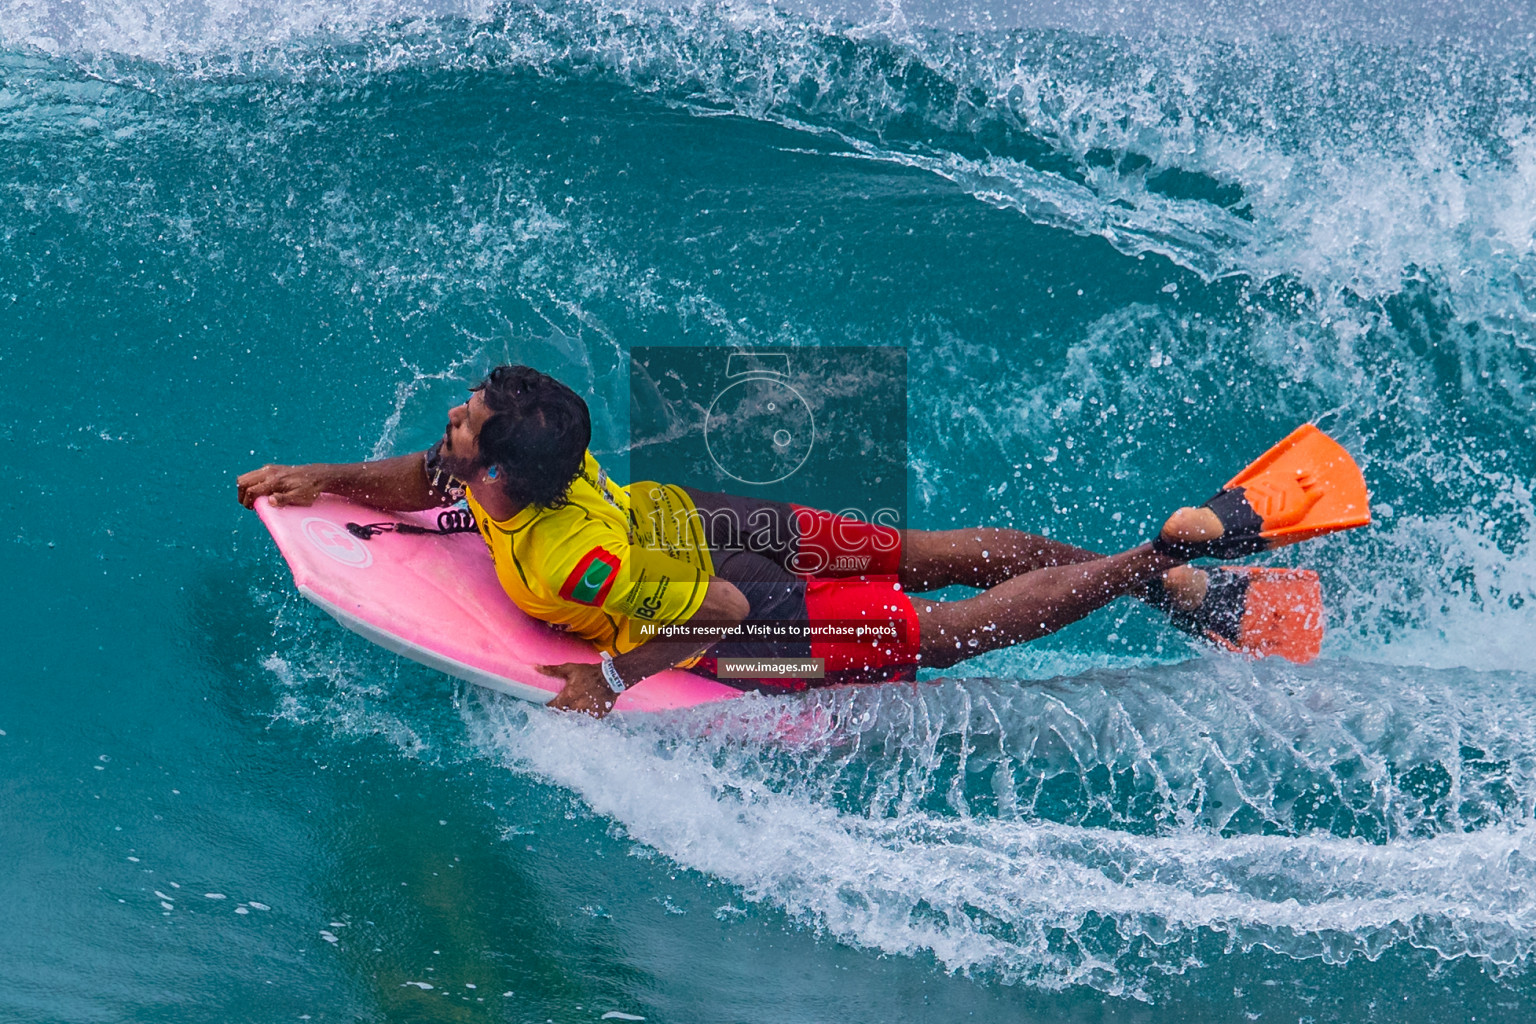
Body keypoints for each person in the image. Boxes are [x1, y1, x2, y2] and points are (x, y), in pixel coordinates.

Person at [238, 365, 1266, 717]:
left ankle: (1147, 559)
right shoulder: (541, 461)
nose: (450, 422)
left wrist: (609, 673)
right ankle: (1167, 583)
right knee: (923, 549)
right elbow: (428, 478)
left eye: (465, 420)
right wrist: (322, 477)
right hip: (712, 519)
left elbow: (718, 612)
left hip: (744, 609)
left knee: (941, 631)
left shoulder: (564, 559)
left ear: (498, 472)